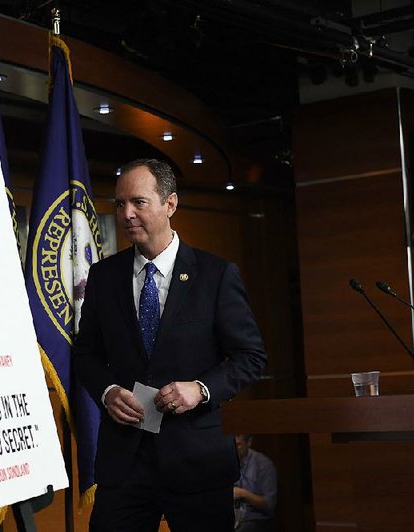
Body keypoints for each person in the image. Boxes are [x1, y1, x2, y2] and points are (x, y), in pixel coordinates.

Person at [74, 158, 268, 531]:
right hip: (125, 463)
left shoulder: (215, 275)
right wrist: (108, 390)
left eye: (138, 202)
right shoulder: (103, 277)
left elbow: (251, 357)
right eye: (119, 204)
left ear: (171, 204)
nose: (126, 213)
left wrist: (201, 388)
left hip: (197, 460)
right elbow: (86, 354)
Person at [233, 435, 277, 531]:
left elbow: (269, 505)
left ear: (248, 442)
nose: (234, 450)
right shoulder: (226, 462)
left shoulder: (263, 464)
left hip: (254, 519)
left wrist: (243, 494)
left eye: (238, 445)